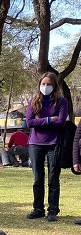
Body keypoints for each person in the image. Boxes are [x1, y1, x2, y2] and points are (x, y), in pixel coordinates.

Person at [25, 71, 68, 221]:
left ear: (54, 85)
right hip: (35, 143)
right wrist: (49, 120)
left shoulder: (62, 101)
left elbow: (61, 123)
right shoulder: (33, 101)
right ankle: (38, 209)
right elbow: (29, 123)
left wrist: (40, 121)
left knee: (53, 178)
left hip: (54, 143)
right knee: (38, 178)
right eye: (43, 84)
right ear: (39, 85)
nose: (45, 86)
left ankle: (52, 211)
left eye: (48, 84)